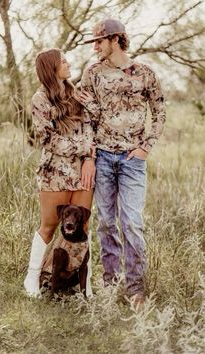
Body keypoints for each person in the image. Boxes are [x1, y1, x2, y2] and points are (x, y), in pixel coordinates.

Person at [79, 19, 166, 306]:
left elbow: (160, 111)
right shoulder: (92, 73)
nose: (95, 47)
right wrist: (90, 158)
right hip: (103, 157)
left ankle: (135, 290)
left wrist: (146, 148)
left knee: (132, 223)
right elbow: (85, 120)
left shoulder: (144, 73)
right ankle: (110, 284)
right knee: (106, 223)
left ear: (116, 39)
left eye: (99, 41)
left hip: (132, 161)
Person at [24, 48, 96, 298]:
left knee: (83, 224)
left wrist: (89, 158)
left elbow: (89, 127)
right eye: (63, 61)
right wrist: (83, 148)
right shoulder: (40, 99)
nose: (68, 64)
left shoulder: (76, 93)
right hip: (54, 171)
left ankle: (87, 285)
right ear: (51, 68)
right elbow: (47, 138)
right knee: (50, 225)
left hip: (82, 170)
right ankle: (32, 276)